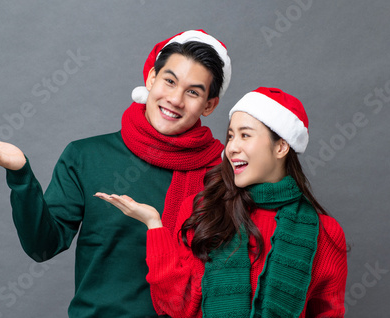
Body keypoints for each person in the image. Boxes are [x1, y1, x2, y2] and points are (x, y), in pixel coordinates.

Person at [0, 30, 232, 317]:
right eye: (169, 81)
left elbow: (231, 276)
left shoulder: (220, 173)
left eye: (193, 92)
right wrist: (20, 176)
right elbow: (42, 247)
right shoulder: (85, 157)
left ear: (209, 105)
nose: (176, 99)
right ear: (151, 78)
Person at [96, 87, 348, 317]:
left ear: (281, 146)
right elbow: (176, 305)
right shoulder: (205, 210)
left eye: (245, 135)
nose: (231, 148)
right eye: (230, 136)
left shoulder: (324, 233)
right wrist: (154, 225)